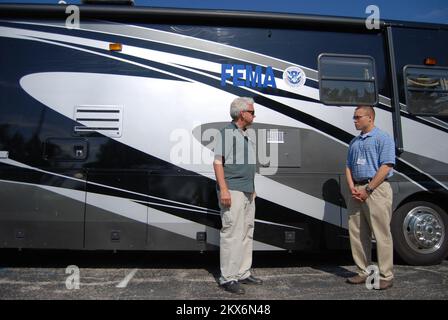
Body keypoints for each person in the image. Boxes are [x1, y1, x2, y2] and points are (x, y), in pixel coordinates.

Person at [213, 97, 263, 295]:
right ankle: (228, 278)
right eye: (252, 112)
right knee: (232, 233)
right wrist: (224, 189)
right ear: (242, 113)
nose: (254, 115)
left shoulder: (245, 134)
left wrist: (252, 189)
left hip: (247, 191)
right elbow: (218, 163)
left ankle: (243, 273)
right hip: (232, 189)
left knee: (246, 231)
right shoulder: (227, 133)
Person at [345, 105, 396, 290]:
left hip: (376, 190)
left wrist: (368, 188)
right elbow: (348, 166)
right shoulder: (354, 142)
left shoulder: (383, 138)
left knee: (381, 233)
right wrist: (352, 187)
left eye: (358, 117)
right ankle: (363, 272)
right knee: (358, 233)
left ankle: (386, 275)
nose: (355, 120)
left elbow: (386, 166)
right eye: (354, 117)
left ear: (370, 118)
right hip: (357, 190)